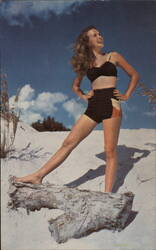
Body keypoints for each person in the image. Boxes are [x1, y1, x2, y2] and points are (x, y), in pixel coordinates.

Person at [14, 25, 139, 192]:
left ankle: (107, 195)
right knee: (68, 142)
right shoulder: (87, 64)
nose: (99, 37)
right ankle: (38, 176)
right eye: (95, 35)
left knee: (109, 151)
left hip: (111, 103)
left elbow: (134, 75)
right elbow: (75, 86)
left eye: (100, 34)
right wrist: (84, 95)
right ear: (87, 42)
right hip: (93, 106)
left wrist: (127, 95)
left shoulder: (113, 56)